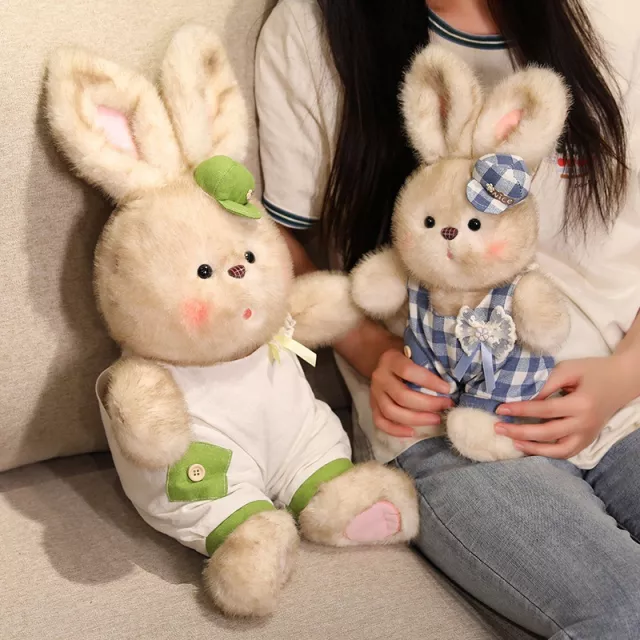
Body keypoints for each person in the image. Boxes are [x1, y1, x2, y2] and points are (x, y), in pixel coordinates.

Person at [254, 0, 640, 637]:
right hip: (442, 422)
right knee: (623, 614)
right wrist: (370, 349)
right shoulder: (313, 29)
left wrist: (624, 375)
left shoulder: (613, 18)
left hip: (622, 399)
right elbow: (266, 238)